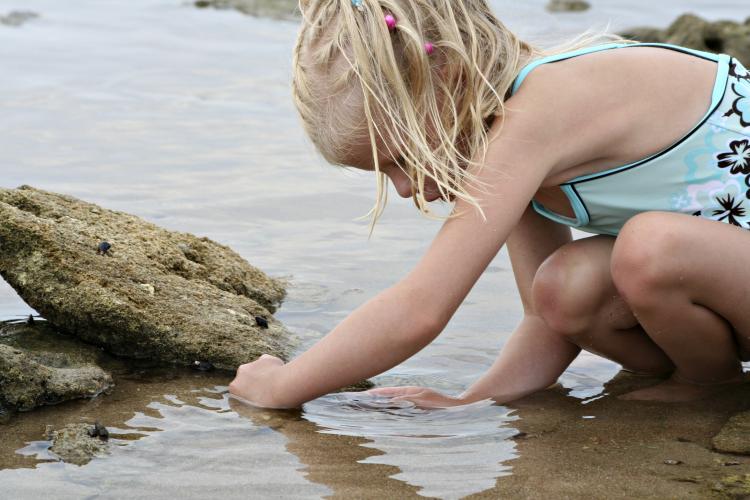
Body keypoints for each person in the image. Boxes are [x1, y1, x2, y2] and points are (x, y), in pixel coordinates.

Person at [229, 0, 750, 409]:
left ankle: (709, 385)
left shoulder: (545, 108)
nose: (406, 188)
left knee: (649, 248)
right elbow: (543, 320)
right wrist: (467, 403)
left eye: (401, 157)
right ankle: (690, 373)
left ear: (448, 76)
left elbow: (421, 308)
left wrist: (283, 387)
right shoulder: (501, 129)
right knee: (563, 288)